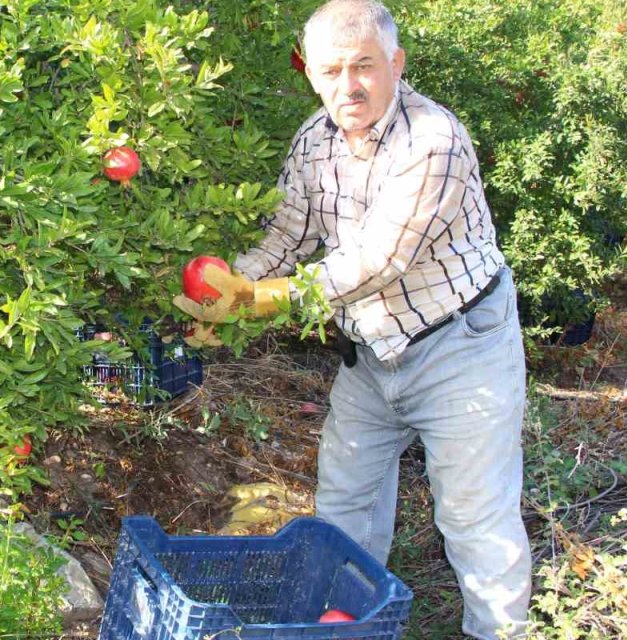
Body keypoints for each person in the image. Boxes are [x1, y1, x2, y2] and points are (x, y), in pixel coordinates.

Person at [171, 1, 531, 637]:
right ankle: (347, 627)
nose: (348, 85)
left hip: (460, 346)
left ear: (395, 63)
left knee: (475, 519)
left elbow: (377, 262)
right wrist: (228, 290)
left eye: (363, 66)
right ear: (310, 73)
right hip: (370, 352)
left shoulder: (433, 139)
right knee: (345, 505)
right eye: (331, 70)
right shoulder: (315, 140)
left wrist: (262, 299)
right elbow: (286, 233)